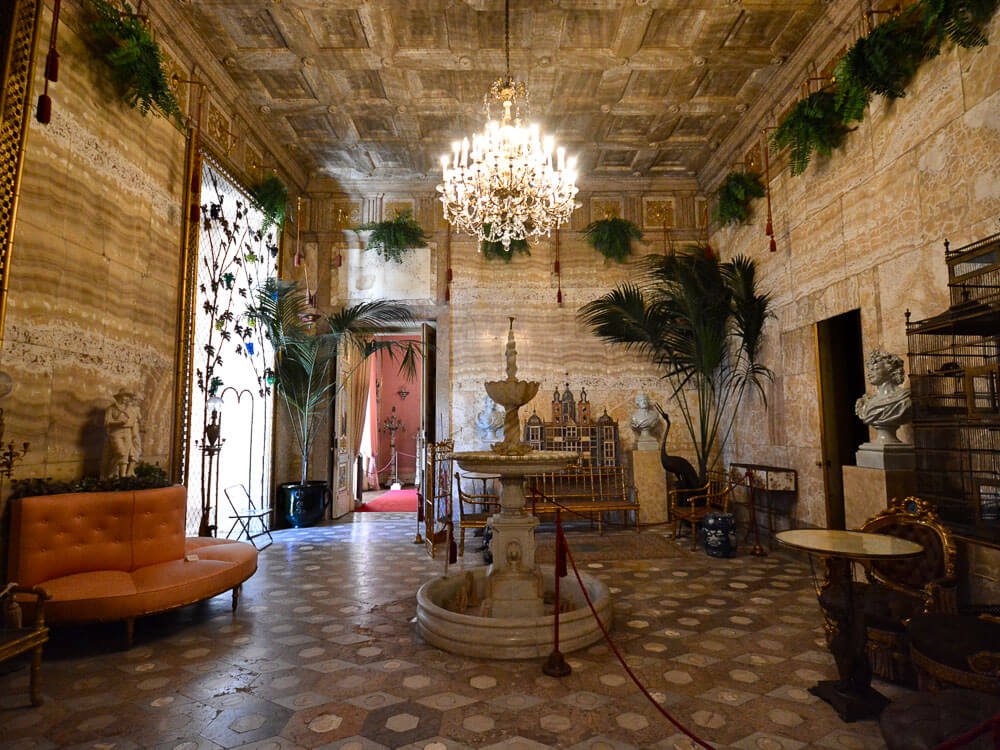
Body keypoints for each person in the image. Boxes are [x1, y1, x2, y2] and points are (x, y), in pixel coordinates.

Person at [854, 350, 912, 443]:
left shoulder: (904, 399)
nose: (869, 373)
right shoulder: (867, 402)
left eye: (874, 369)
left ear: (890, 370)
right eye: (869, 369)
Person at [104, 391, 142, 478]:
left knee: (125, 455)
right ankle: (111, 470)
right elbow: (106, 422)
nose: (127, 398)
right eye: (125, 396)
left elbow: (135, 421)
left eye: (128, 396)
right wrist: (117, 422)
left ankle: (123, 476)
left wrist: (135, 432)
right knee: (120, 452)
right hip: (116, 432)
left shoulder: (130, 409)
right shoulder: (111, 408)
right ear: (119, 397)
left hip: (128, 431)